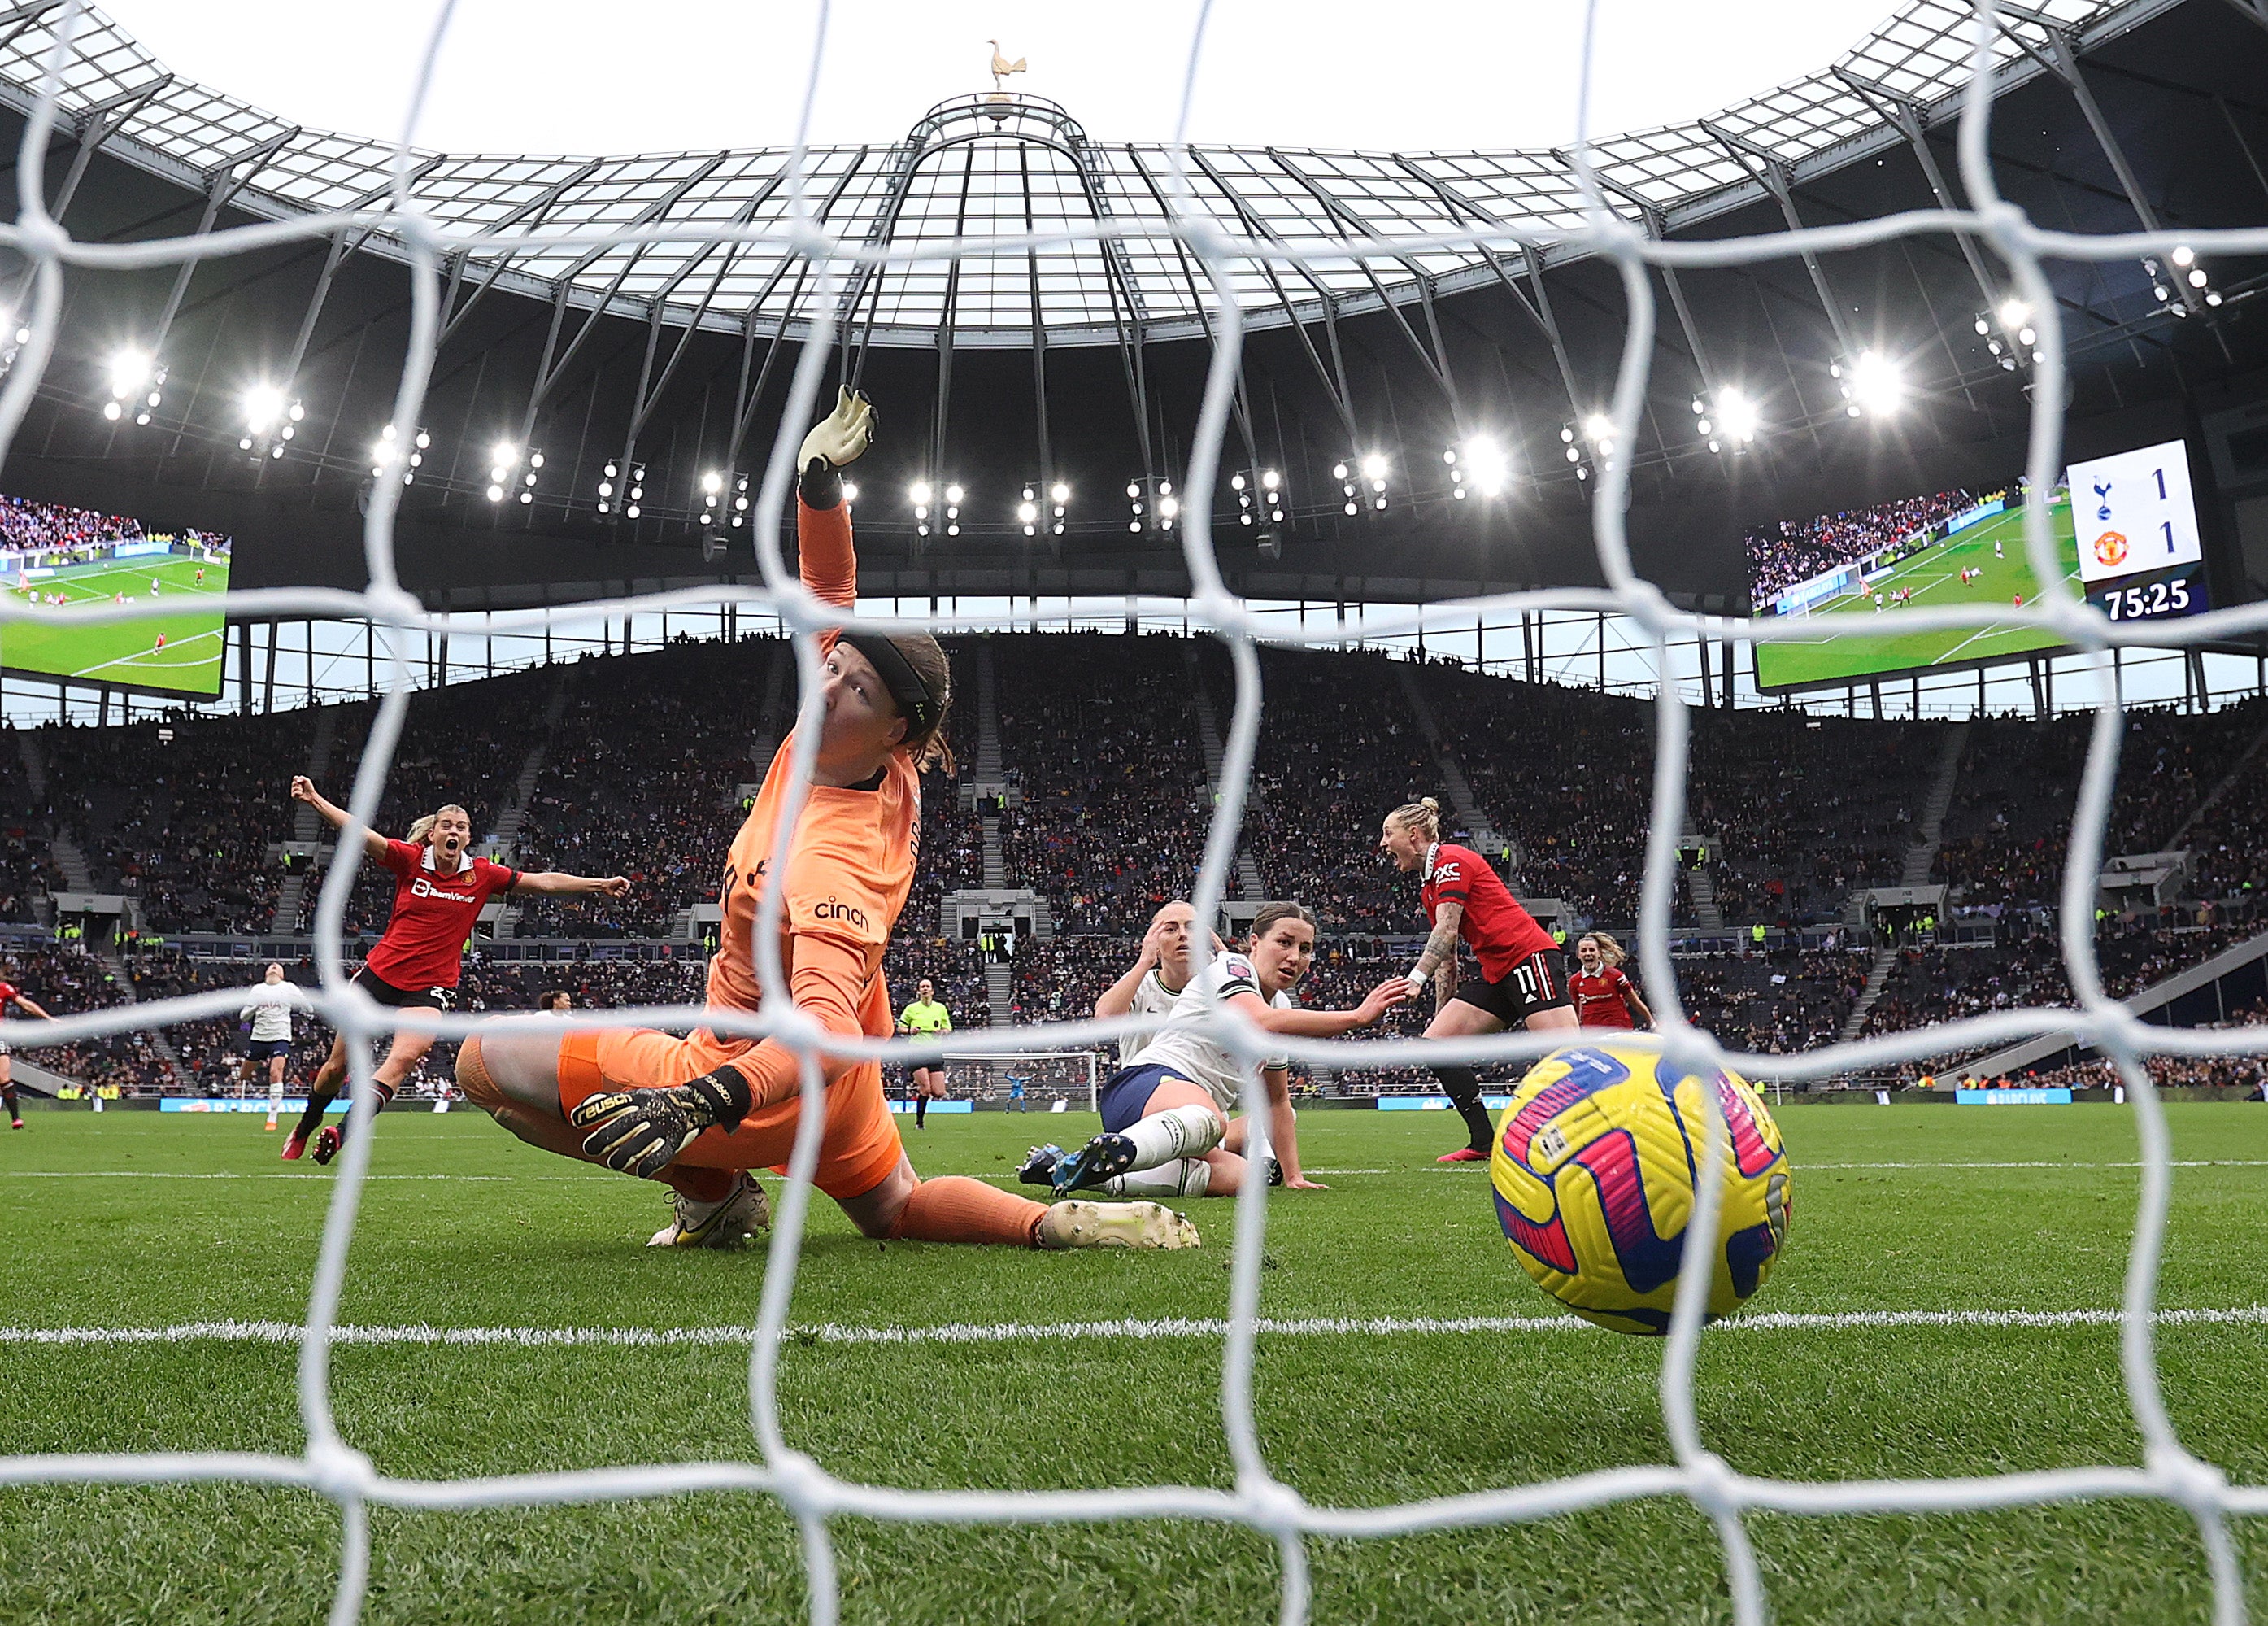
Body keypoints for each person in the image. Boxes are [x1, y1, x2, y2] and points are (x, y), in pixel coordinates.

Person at [454, 388, 1195, 1253]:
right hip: (842, 1097)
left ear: (894, 730)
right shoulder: (867, 743)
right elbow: (829, 589)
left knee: (480, 1064)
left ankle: (714, 1191)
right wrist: (817, 488)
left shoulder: (833, 857)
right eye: (834, 666)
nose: (829, 682)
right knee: (895, 1208)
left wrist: (705, 1100)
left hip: (754, 1074)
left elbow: (823, 1028)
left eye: (854, 687)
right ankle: (1049, 1223)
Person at [280, 783, 629, 1166]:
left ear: (468, 837)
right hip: (379, 977)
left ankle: (341, 1133)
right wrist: (315, 800)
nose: (454, 832)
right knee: (336, 1068)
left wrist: (599, 885)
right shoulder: (410, 859)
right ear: (433, 833)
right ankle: (304, 1127)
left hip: (431, 986)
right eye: (447, 825)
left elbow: (543, 881)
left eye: (461, 827)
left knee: (404, 1059)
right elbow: (361, 833)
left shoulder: (481, 874)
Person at [1028, 902, 1409, 1201]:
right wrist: (1357, 1017)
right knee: (1213, 1119)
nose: (1295, 956)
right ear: (1255, 943)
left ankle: (1078, 1172)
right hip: (1143, 1086)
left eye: (1305, 949)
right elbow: (1260, 1021)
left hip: (1179, 1124)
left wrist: (1294, 1176)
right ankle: (1125, 1148)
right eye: (1284, 942)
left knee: (1245, 1177)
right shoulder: (1231, 967)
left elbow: (1276, 1102)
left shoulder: (1283, 1009)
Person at [1378, 797, 1577, 1163]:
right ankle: (1484, 1142)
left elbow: (1448, 931)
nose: (1382, 843)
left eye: (1387, 833)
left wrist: (1415, 978)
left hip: (1528, 959)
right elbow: (1449, 956)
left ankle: (1607, 1133)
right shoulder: (1429, 887)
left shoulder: (1451, 860)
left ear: (1414, 834)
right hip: (1498, 972)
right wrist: (1441, 1013)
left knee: (1567, 1058)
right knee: (1435, 1045)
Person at [239, 963, 296, 1127]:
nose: (273, 967)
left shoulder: (288, 988)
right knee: (244, 1075)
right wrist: (256, 1006)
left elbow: (308, 1005)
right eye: (271, 967)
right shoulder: (258, 990)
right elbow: (243, 1016)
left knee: (275, 1071)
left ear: (282, 975)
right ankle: (256, 1082)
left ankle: (272, 1116)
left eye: (277, 967)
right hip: (259, 1037)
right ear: (265, 974)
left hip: (280, 1036)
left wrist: (305, 1008)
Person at [0, 969, 55, 1128]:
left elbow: (25, 1004)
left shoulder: (4, 988)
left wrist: (48, 1018)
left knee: (4, 1078)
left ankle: (16, 1119)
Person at [896, 977, 952, 1129]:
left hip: (934, 1052)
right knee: (926, 1089)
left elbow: (948, 1028)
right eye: (922, 987)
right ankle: (919, 1123)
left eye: (928, 986)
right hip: (917, 1051)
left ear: (932, 991)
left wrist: (941, 1033)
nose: (925, 989)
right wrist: (910, 1031)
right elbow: (900, 1028)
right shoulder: (911, 1009)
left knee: (939, 1092)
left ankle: (922, 1094)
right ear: (919, 991)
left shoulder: (940, 1008)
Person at [1568, 932, 1653, 1030]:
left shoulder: (1615, 976)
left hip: (1618, 1031)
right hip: (1591, 1034)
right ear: (1578, 955)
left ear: (1599, 953)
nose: (1588, 954)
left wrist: (1652, 1023)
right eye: (1584, 951)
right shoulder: (1574, 981)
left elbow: (1634, 1001)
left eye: (1592, 950)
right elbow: (1577, 1009)